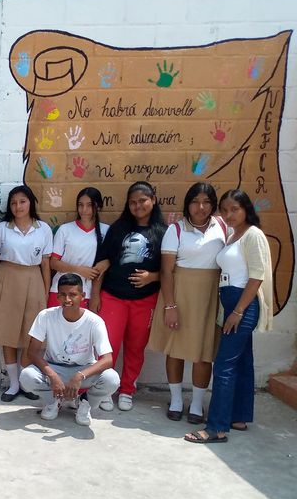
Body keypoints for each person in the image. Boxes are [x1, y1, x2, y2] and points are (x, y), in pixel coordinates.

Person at [186, 190, 273, 444]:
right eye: (224, 210)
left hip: (242, 304)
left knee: (224, 365)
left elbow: (256, 276)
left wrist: (237, 311)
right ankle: (238, 416)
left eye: (234, 209)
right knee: (243, 362)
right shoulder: (234, 235)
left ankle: (216, 428)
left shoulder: (253, 235)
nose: (228, 214)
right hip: (232, 302)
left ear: (246, 209)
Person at [148, 182, 226, 423]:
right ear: (187, 204)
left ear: (213, 204)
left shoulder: (223, 226)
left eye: (206, 202)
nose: (201, 207)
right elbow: (166, 271)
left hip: (210, 297)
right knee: (176, 349)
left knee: (204, 352)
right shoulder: (176, 230)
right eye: (195, 202)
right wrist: (170, 306)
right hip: (179, 295)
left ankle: (197, 403)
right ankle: (176, 400)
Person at [91, 181, 167, 411]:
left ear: (153, 200)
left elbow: (171, 270)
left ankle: (127, 390)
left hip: (145, 300)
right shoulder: (118, 229)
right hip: (113, 296)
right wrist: (96, 296)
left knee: (135, 347)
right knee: (108, 347)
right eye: (133, 202)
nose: (138, 206)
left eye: (143, 200)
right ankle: (105, 389)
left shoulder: (163, 233)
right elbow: (102, 263)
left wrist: (152, 277)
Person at [19, 274, 120, 427]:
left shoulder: (94, 321)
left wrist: (79, 376)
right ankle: (54, 401)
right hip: (55, 367)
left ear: (83, 296)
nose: (67, 299)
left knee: (112, 379)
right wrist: (52, 375)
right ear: (57, 296)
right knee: (27, 376)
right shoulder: (46, 316)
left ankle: (85, 403)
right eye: (63, 294)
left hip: (83, 369)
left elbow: (108, 359)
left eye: (72, 295)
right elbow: (32, 352)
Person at [0, 185, 52, 402]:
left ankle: (25, 381)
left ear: (31, 203)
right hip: (6, 279)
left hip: (33, 279)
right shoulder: (2, 229)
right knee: (8, 333)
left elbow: (46, 264)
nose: (18, 206)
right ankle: (14, 384)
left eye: (22, 201)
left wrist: (45, 292)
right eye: (13, 203)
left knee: (31, 335)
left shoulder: (43, 229)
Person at [48, 187, 110, 309]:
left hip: (86, 293)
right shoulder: (65, 230)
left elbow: (108, 262)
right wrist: (78, 270)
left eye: (89, 205)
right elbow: (53, 263)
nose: (84, 210)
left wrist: (107, 262)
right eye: (80, 205)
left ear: (98, 206)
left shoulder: (106, 231)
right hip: (60, 291)